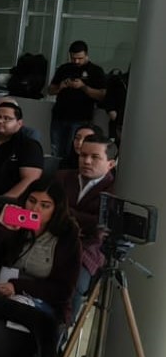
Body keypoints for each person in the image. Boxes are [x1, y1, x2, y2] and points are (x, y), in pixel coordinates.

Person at [0, 176, 81, 325]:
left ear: (56, 209)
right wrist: (1, 229)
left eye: (45, 206)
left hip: (42, 300)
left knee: (12, 314)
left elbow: (63, 290)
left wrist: (18, 287)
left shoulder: (67, 237)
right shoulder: (12, 220)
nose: (35, 209)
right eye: (31, 201)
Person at [56, 134, 118, 319]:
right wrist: (86, 220)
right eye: (83, 155)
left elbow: (102, 227)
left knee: (73, 282)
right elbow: (45, 210)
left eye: (95, 157)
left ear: (111, 163)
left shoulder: (115, 189)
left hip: (88, 249)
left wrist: (65, 212)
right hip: (52, 238)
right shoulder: (62, 177)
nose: (87, 161)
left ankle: (63, 331)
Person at [48, 41, 107, 159]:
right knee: (56, 150)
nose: (76, 61)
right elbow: (50, 90)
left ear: (86, 55)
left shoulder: (95, 71)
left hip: (81, 119)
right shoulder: (64, 68)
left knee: (75, 152)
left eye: (80, 58)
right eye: (73, 58)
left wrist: (83, 87)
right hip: (59, 117)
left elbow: (102, 95)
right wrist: (61, 86)